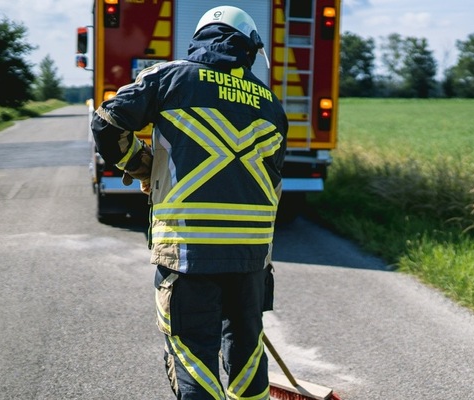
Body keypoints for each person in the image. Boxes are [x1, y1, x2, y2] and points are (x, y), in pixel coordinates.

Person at [90, 5, 287, 399]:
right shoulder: (270, 104)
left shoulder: (169, 77)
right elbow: (273, 182)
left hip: (187, 253)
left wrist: (141, 166)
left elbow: (106, 122)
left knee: (193, 355)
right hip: (250, 259)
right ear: (250, 49)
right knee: (248, 357)